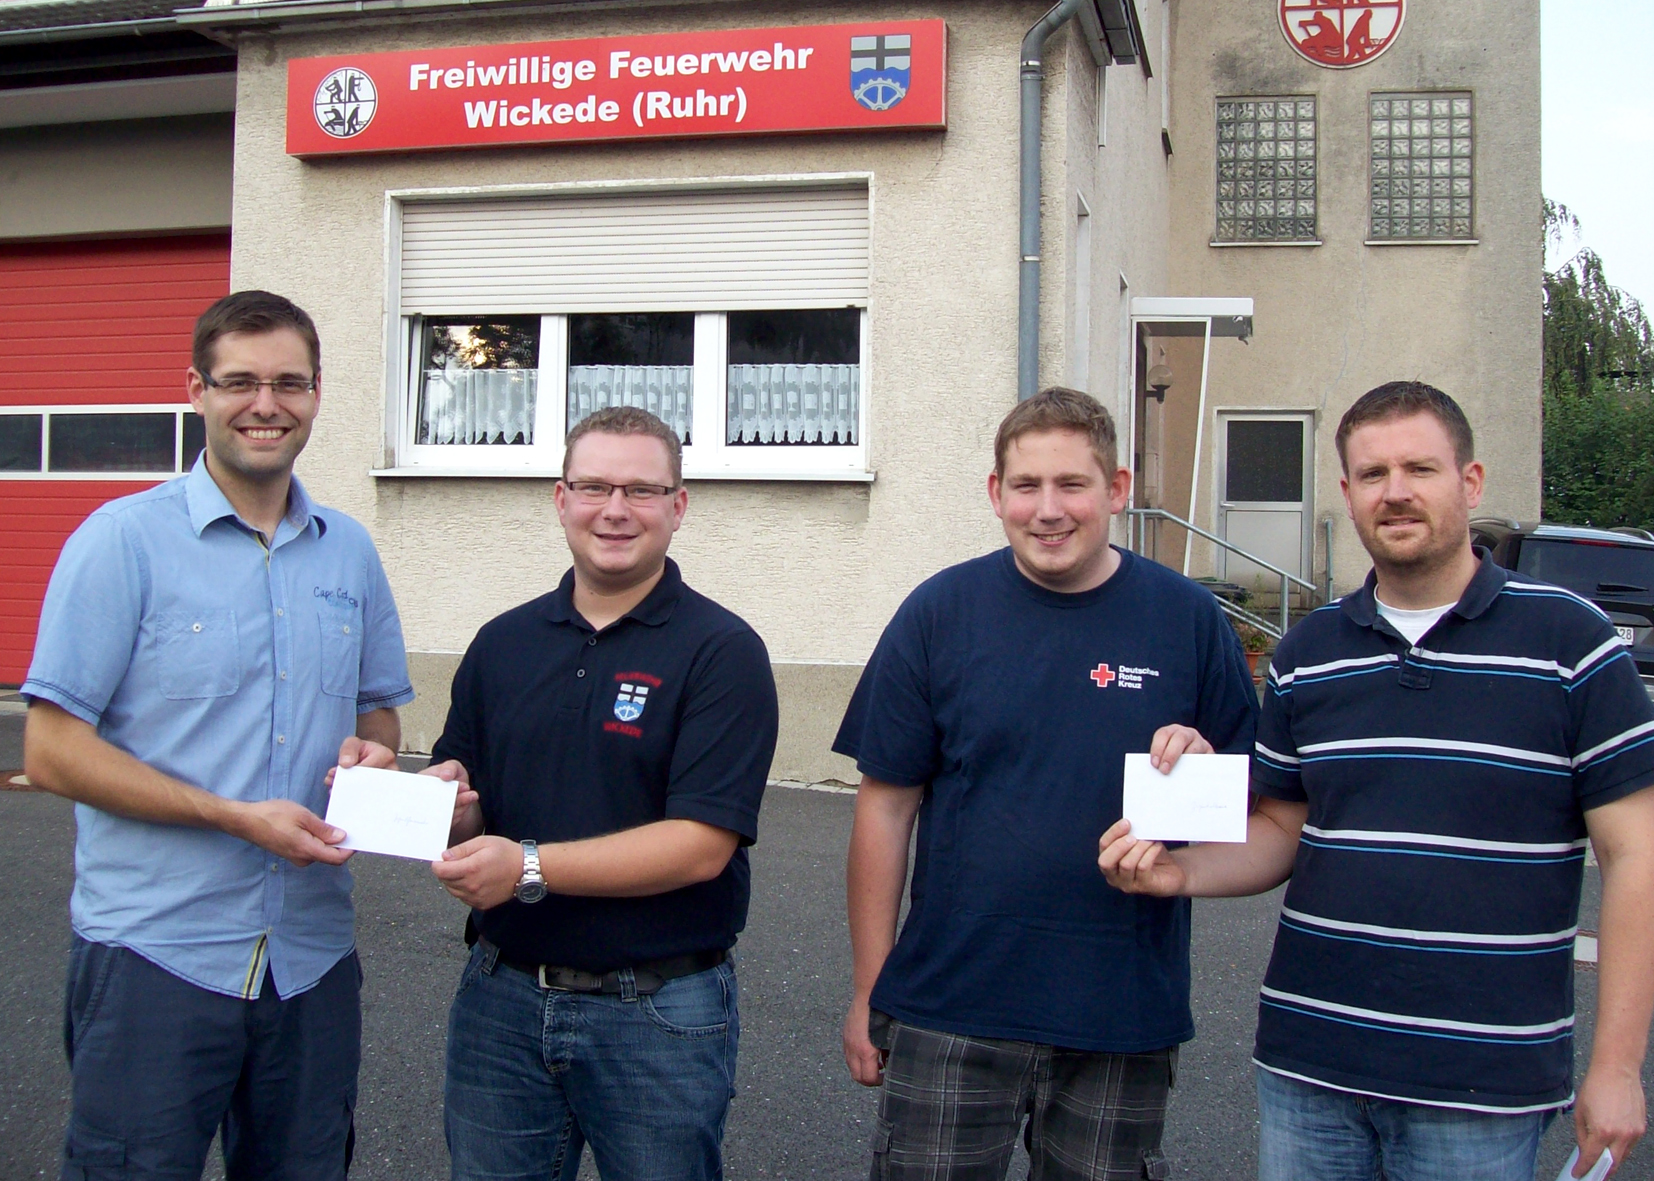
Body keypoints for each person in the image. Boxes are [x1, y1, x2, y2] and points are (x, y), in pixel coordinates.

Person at [1100, 381, 1654, 1181]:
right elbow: (1285, 831)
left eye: (1419, 468)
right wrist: (1178, 870)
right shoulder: (1308, 653)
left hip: (1481, 1086)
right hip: (1309, 1071)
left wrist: (1616, 1065)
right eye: (1372, 474)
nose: (1395, 491)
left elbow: (1635, 857)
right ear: (1348, 494)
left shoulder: (1572, 643)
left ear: (1469, 482)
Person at [22, 290, 414, 1181]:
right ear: (195, 389)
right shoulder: (120, 541)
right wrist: (235, 816)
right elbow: (49, 749)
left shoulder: (348, 550)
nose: (265, 404)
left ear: (318, 392)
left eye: (288, 382)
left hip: (310, 960)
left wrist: (376, 752)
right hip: (156, 954)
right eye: (239, 381)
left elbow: (378, 710)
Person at [835, 386, 1260, 1179]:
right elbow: (885, 810)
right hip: (949, 1005)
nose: (1048, 509)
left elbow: (1246, 809)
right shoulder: (938, 614)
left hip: (1120, 1013)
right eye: (1026, 486)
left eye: (1073, 485)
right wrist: (870, 987)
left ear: (1118, 490)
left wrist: (1200, 772)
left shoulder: (1189, 620)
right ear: (996, 494)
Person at [413, 406, 778, 1181]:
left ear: (678, 506)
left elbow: (702, 844)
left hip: (657, 1010)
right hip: (500, 1000)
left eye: (642, 490)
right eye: (595, 486)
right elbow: (471, 798)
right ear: (560, 499)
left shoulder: (722, 652)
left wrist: (527, 867)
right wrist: (451, 807)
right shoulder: (501, 643)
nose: (615, 509)